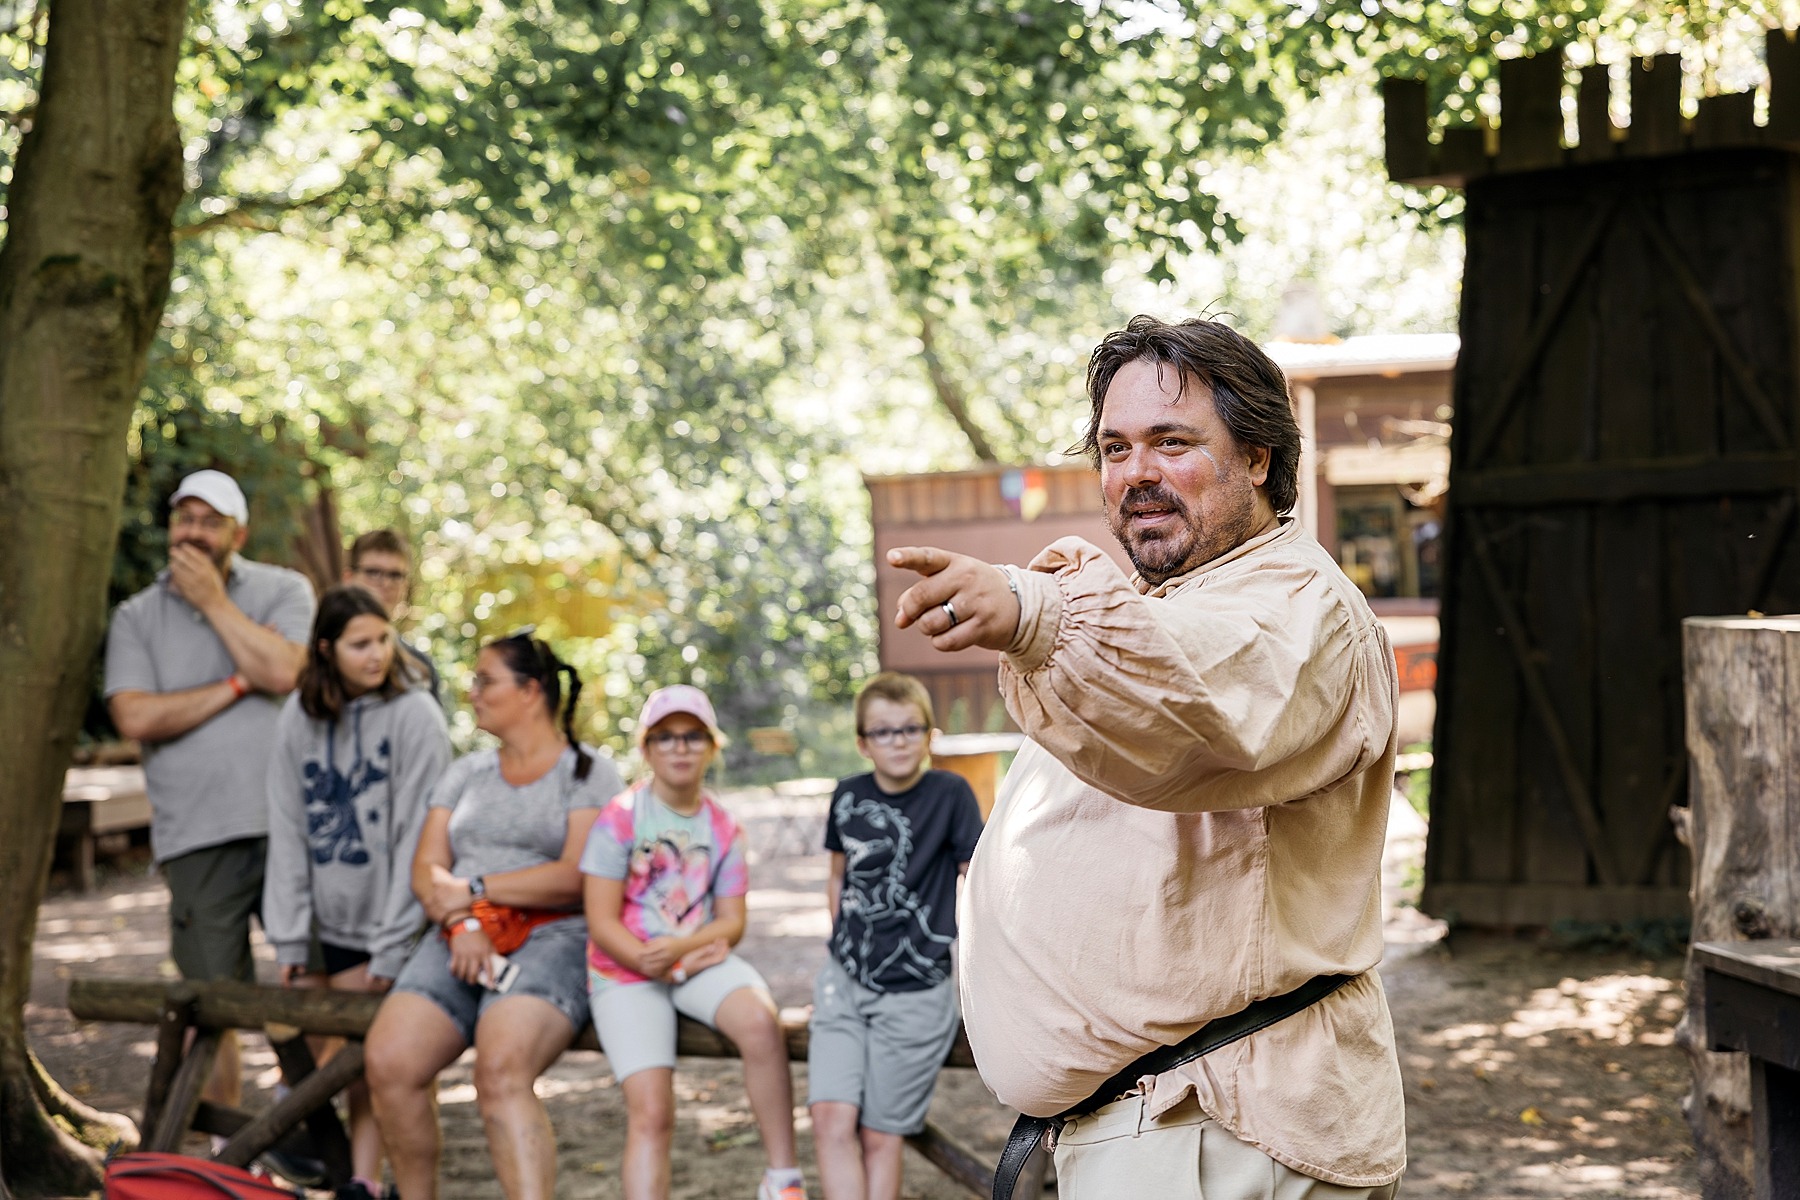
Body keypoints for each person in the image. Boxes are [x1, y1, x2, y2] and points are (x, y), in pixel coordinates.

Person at [889, 315, 1407, 1199]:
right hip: (1170, 1129)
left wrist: (1035, 613)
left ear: (1258, 458)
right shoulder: (1167, 602)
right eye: (1116, 447)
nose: (1137, 474)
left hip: (1222, 1126)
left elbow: (1203, 698)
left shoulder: (1297, 603)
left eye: (1173, 443)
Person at [363, 630, 624, 1200]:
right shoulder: (466, 773)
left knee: (500, 1068)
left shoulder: (589, 773)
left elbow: (578, 874)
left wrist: (476, 890)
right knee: (388, 1061)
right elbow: (427, 869)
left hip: (553, 936)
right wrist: (465, 921)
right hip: (459, 935)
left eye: (485, 680)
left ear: (530, 691)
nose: (472, 692)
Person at [104, 468, 315, 1111]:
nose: (193, 532)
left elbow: (282, 669)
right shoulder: (137, 615)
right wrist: (234, 683)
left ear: (238, 532)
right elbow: (136, 717)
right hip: (196, 834)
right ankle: (230, 1147)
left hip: (293, 825)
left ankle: (307, 1126)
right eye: (184, 518)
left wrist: (215, 604)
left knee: (312, 981)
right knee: (212, 997)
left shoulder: (284, 590)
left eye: (209, 520)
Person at [264, 584, 453, 1200]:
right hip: (334, 922)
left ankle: (380, 1181)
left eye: (384, 639)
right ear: (326, 648)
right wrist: (290, 931)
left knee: (388, 1060)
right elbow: (288, 825)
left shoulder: (417, 715)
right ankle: (364, 1183)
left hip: (397, 922)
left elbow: (417, 839)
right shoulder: (300, 714)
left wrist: (393, 943)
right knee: (355, 1060)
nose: (377, 654)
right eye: (360, 644)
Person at [581, 685, 806, 1200]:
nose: (679, 748)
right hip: (626, 969)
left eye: (692, 736)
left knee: (759, 1021)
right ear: (647, 749)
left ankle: (782, 1178)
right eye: (665, 737)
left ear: (711, 747)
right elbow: (600, 918)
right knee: (653, 1112)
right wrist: (647, 958)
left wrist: (683, 952)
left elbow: (731, 921)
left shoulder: (723, 827)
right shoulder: (621, 817)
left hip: (695, 960)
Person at [809, 673, 982, 1200]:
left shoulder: (950, 793)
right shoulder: (848, 794)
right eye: (883, 732)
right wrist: (845, 936)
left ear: (929, 735)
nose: (898, 740)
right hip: (844, 981)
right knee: (830, 1120)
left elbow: (973, 879)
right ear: (863, 742)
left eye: (910, 728)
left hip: (916, 988)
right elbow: (838, 875)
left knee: (880, 1135)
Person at [345, 529, 441, 703]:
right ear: (348, 578)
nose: (386, 583)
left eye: (395, 575)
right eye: (373, 573)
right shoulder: (315, 653)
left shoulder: (420, 668)